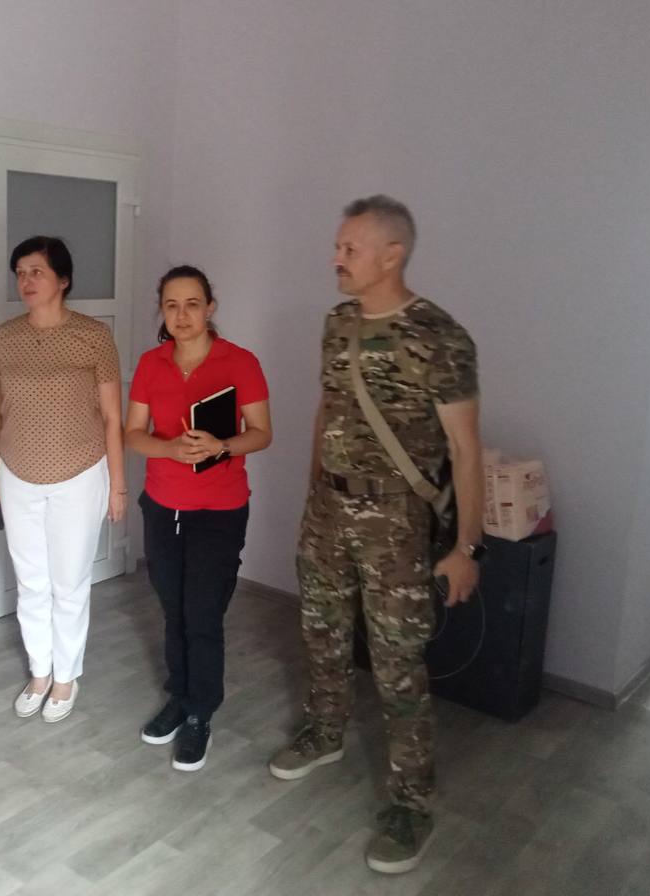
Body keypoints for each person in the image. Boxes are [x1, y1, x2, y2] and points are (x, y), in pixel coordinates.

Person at [267, 196, 484, 875]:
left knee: (397, 664)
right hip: (328, 511)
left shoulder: (440, 337)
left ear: (392, 256)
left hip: (395, 524)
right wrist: (312, 494)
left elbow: (466, 450)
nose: (336, 257)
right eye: (338, 246)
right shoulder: (337, 324)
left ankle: (411, 803)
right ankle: (325, 731)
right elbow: (326, 411)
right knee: (321, 633)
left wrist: (466, 548)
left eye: (349, 249)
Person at [125, 266, 272, 772]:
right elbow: (133, 433)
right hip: (163, 505)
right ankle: (180, 695)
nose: (182, 314)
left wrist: (221, 445)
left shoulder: (240, 362)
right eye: (171, 305)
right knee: (174, 611)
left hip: (219, 510)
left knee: (203, 615)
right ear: (162, 311)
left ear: (210, 307)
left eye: (192, 303)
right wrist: (169, 449)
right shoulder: (151, 363)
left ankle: (199, 712)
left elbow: (262, 432)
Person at [0, 236, 126, 723]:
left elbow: (112, 417)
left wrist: (118, 486)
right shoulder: (4, 337)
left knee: (69, 583)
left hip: (80, 474)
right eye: (20, 272)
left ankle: (66, 677)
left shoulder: (93, 336)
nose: (26, 281)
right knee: (30, 583)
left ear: (63, 280)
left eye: (37, 271)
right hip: (16, 474)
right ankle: (40, 672)